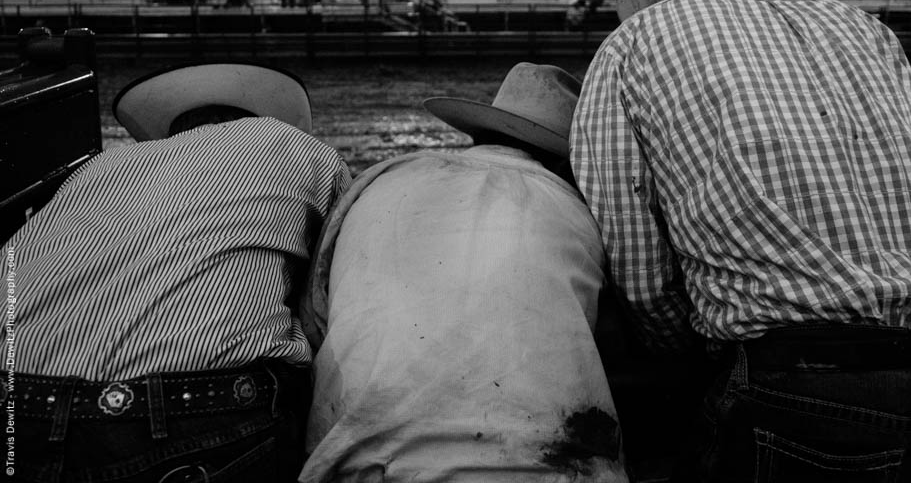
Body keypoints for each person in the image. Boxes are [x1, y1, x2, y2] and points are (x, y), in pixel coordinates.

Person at [569, 0, 911, 481]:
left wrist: (679, 345)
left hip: (802, 380)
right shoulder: (863, 26)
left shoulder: (635, 40)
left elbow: (629, 236)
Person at [7, 62, 350, 482]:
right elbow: (328, 288)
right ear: (260, 119)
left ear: (173, 132)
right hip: (184, 411)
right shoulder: (301, 149)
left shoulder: (101, 167)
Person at [302, 63, 628, 482]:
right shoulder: (581, 213)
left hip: (361, 464)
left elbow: (316, 315)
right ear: (569, 160)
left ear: (479, 131)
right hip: (548, 468)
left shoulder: (378, 182)